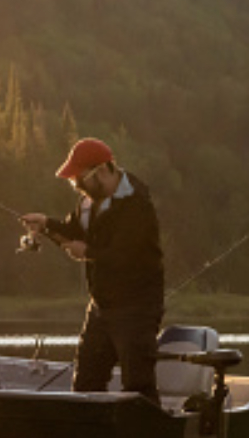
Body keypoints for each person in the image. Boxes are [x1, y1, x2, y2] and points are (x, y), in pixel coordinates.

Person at [21, 138, 165, 405]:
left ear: (101, 171)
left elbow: (125, 255)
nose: (76, 187)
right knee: (86, 383)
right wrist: (47, 225)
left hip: (137, 309)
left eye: (78, 180)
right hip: (101, 308)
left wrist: (87, 253)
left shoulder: (137, 205)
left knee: (138, 386)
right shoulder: (89, 202)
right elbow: (74, 231)